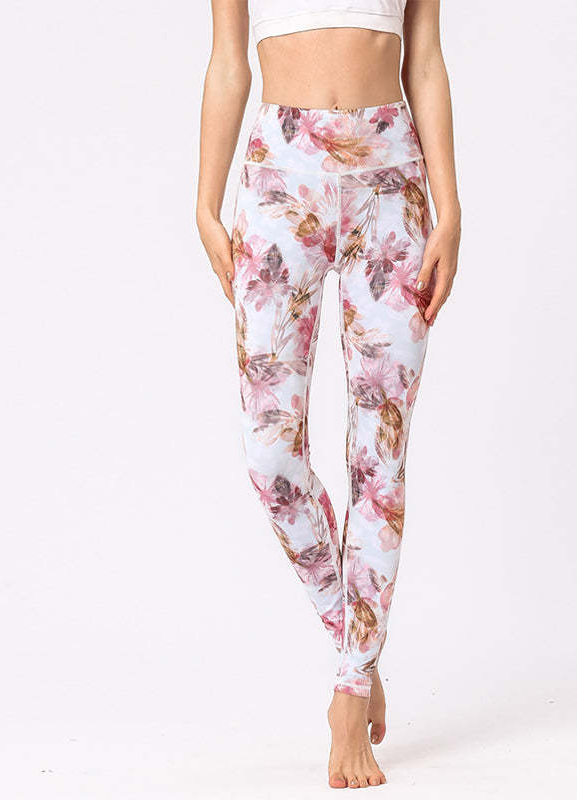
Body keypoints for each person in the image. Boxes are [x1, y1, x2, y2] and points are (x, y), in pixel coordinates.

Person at [196, 0, 460, 789]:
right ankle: (360, 646)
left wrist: (450, 209)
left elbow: (424, 59)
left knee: (380, 453)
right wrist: (205, 200)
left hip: (392, 181)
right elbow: (229, 61)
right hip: (281, 177)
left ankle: (350, 688)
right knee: (270, 455)